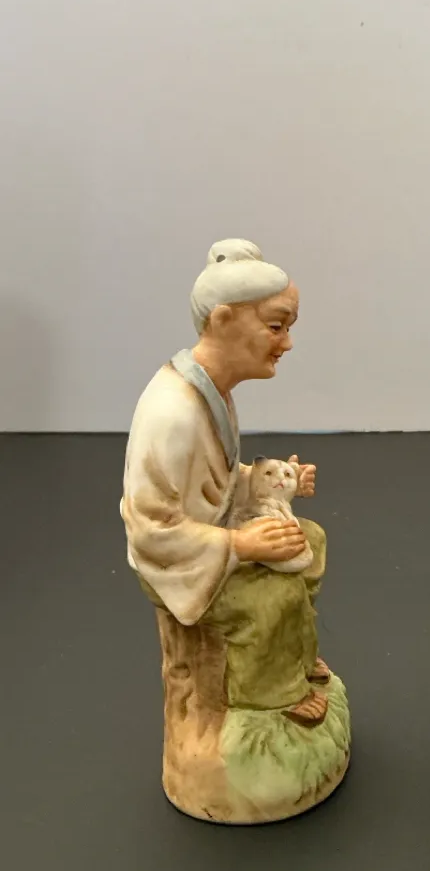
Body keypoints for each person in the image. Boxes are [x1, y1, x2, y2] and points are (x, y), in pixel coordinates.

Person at [122, 240, 349, 824]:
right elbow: (152, 527)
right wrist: (239, 545)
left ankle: (293, 657)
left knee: (310, 540)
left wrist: (274, 482)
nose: (287, 342)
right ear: (223, 320)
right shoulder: (173, 410)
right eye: (276, 325)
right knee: (270, 596)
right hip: (181, 562)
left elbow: (217, 484)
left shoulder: (212, 391)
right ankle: (272, 697)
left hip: (213, 538)